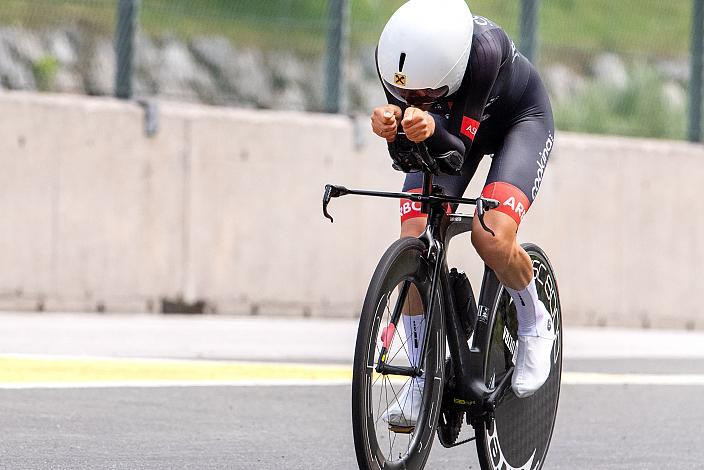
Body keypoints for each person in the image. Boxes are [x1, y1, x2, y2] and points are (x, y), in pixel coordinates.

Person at [371, 0, 556, 429]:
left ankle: (534, 320)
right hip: (447, 129)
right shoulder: (395, 56)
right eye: (405, 95)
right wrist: (392, 130)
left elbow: (455, 155)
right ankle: (419, 373)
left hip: (517, 122)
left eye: (426, 95)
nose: (414, 100)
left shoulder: (484, 51)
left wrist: (430, 128)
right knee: (415, 231)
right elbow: (406, 160)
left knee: (490, 236)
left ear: (449, 74)